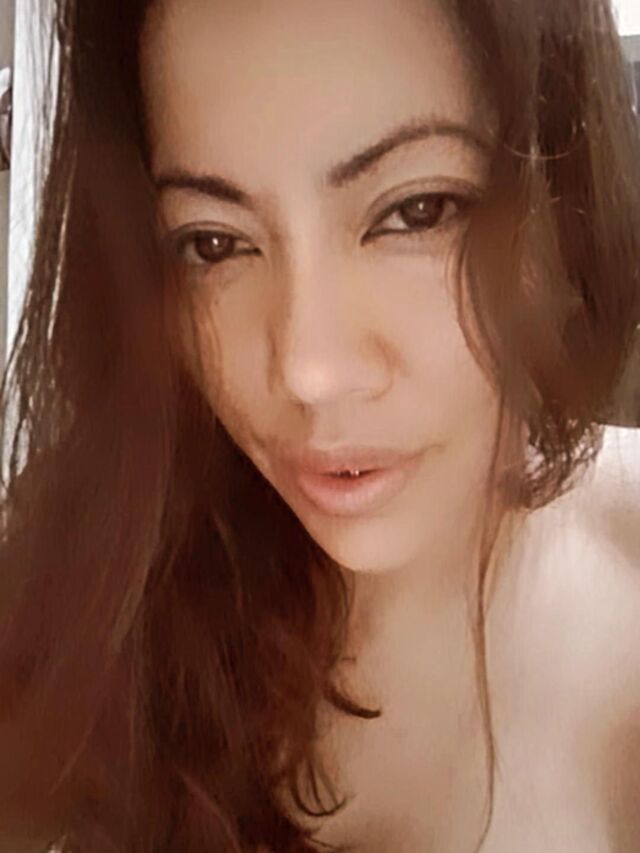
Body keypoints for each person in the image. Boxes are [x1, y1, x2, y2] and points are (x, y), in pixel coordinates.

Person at [0, 0, 639, 850]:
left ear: (562, 201)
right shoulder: (81, 576)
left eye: (416, 211)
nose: (307, 369)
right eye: (214, 244)